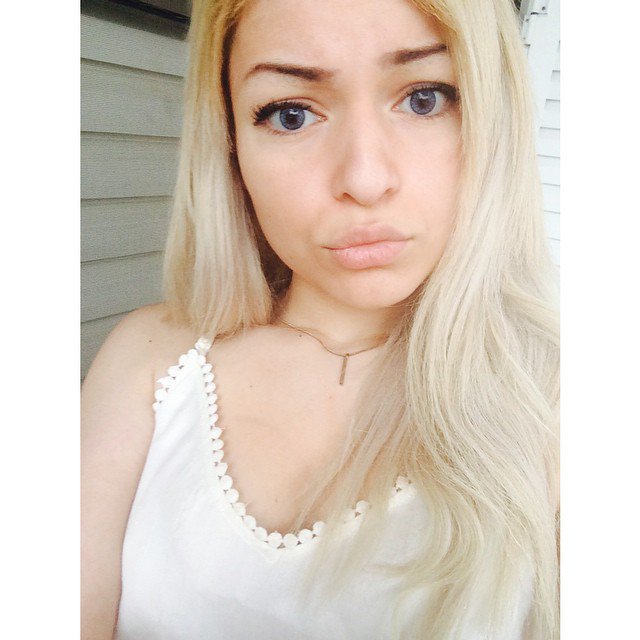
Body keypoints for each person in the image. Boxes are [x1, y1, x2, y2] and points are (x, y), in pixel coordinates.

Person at [81, 0, 560, 638]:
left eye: (425, 99)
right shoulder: (148, 359)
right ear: (230, 145)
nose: (365, 179)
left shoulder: (558, 399)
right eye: (291, 114)